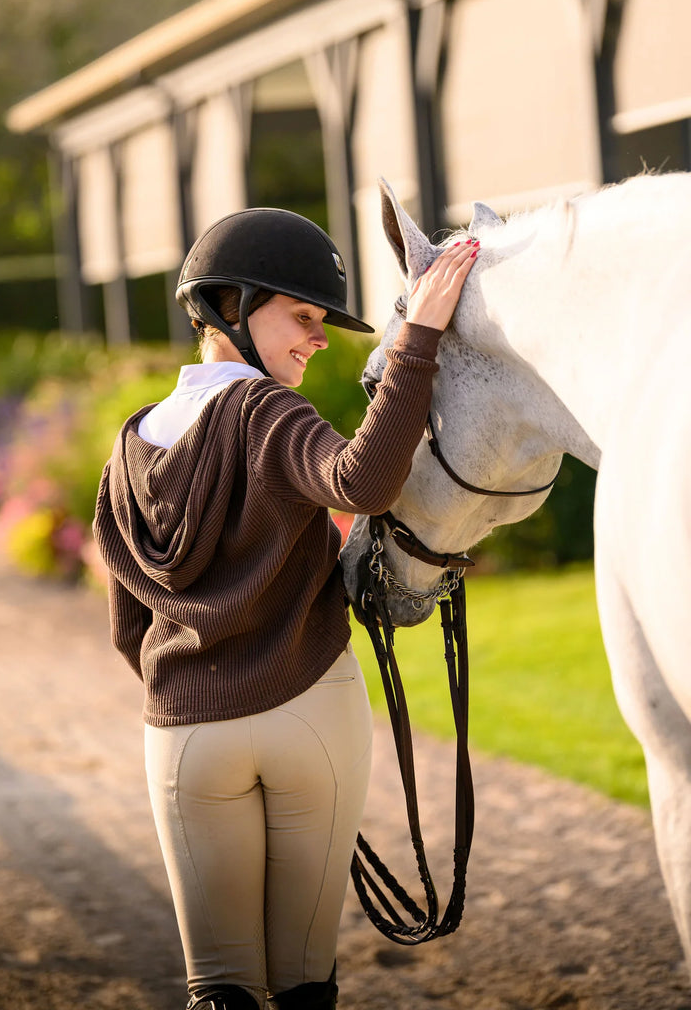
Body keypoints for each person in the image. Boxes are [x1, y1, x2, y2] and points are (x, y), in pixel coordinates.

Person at [93, 207, 478, 1010]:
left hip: (185, 740)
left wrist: (199, 687)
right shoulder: (267, 414)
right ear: (233, 304)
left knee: (220, 987)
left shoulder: (126, 453)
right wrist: (419, 341)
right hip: (310, 713)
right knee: (305, 982)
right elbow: (364, 482)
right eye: (303, 317)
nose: (319, 338)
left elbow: (130, 627)